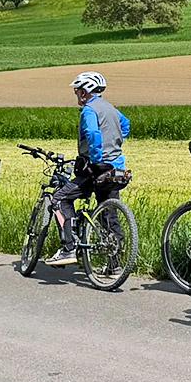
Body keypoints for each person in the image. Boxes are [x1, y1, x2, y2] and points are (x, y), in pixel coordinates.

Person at [47, 71, 131, 268]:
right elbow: (125, 125)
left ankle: (68, 249)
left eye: (77, 90)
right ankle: (115, 263)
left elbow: (93, 133)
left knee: (60, 198)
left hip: (97, 168)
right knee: (109, 212)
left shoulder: (89, 110)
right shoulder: (110, 108)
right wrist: (115, 144)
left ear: (85, 92)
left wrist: (96, 158)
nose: (76, 94)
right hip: (116, 168)